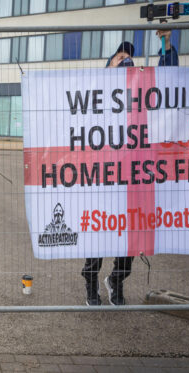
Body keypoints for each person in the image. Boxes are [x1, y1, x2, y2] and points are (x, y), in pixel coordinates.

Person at [83, 41, 136, 306]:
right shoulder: (96, 95)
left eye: (129, 58)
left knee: (130, 240)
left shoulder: (138, 97)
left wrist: (167, 45)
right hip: (100, 180)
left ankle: (116, 278)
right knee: (98, 236)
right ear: (109, 63)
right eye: (119, 57)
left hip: (129, 182)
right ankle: (91, 282)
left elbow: (171, 86)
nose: (125, 61)